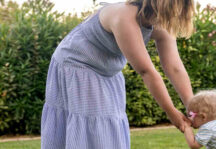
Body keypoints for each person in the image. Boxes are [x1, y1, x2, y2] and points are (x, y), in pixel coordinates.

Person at [41, 0, 195, 148]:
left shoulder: (160, 22)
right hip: (77, 65)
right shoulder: (124, 15)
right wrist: (171, 112)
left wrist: (193, 107)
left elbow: (175, 68)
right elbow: (146, 71)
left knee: (111, 124)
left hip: (108, 71)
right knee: (96, 126)